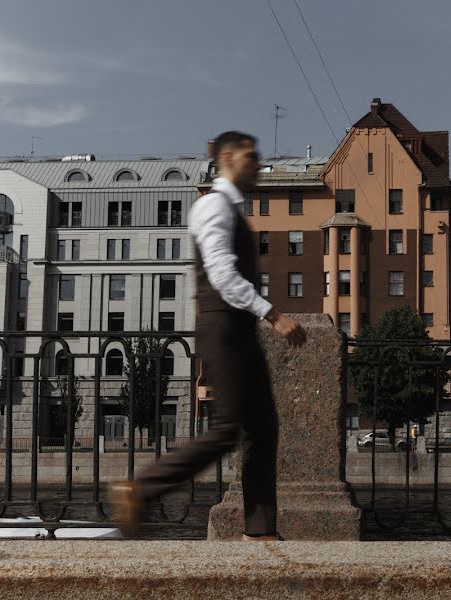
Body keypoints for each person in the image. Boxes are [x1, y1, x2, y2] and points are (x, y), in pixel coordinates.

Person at [111, 131, 307, 540]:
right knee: (228, 429)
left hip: (238, 330)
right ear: (228, 158)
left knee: (263, 427)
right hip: (224, 328)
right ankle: (139, 490)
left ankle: (260, 528)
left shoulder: (232, 208)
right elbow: (221, 274)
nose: (258, 164)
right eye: (251, 157)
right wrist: (272, 314)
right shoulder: (214, 206)